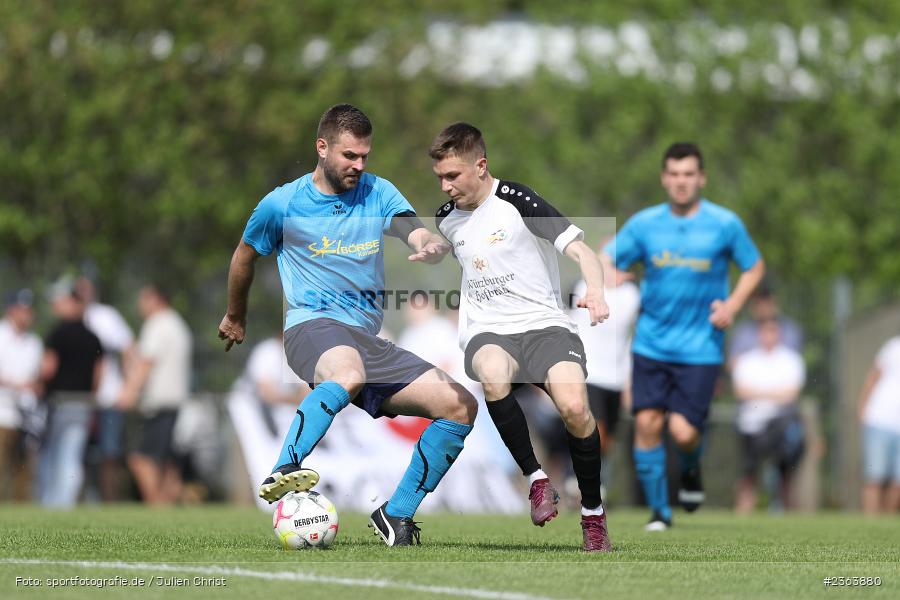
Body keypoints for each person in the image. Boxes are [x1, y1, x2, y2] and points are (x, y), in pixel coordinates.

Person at [218, 104, 477, 547]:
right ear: (322, 148)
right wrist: (235, 315)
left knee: (459, 407)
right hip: (311, 328)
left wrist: (426, 241)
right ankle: (285, 467)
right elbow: (244, 256)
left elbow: (407, 227)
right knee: (348, 374)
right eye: (349, 156)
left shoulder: (377, 191)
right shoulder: (283, 203)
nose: (359, 165)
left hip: (365, 341)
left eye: (364, 157)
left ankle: (395, 516)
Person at [430, 122, 613, 552]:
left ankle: (592, 514)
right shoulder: (446, 219)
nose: (445, 186)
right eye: (439, 177)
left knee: (575, 409)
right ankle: (536, 481)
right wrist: (434, 249)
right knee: (492, 375)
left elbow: (581, 251)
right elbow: (454, 243)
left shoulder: (519, 201)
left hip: (545, 326)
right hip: (490, 331)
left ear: (481, 165)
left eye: (453, 175)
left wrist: (597, 292)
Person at [604, 142, 765, 531]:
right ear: (664, 178)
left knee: (683, 431)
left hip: (700, 348)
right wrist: (609, 271)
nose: (681, 182)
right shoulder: (645, 224)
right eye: (674, 174)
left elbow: (753, 266)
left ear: (701, 178)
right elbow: (607, 255)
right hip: (651, 344)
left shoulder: (724, 224)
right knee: (646, 424)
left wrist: (733, 305)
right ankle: (660, 512)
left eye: (688, 174)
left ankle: (691, 469)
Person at [567, 242, 640, 492]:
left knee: (606, 439)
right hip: (589, 372)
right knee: (596, 429)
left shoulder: (631, 296)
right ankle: (582, 482)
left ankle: (589, 477)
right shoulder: (582, 288)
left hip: (617, 377)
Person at [117, 284, 192, 505]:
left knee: (140, 459)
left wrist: (129, 391)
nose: (140, 305)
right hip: (175, 402)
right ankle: (165, 505)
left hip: (159, 403)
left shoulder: (158, 324)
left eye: (143, 299)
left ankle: (157, 506)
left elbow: (147, 362)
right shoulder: (177, 323)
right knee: (168, 460)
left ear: (156, 299)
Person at [37, 283, 104, 507]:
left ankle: (50, 501)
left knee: (53, 452)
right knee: (72, 454)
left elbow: (48, 368)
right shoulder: (93, 338)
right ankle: (65, 503)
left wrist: (38, 385)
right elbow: (98, 376)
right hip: (83, 403)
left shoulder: (57, 333)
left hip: (59, 401)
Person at [732, 318, 806, 513]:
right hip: (751, 425)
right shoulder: (747, 360)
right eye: (765, 331)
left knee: (785, 469)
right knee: (749, 471)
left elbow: (791, 394)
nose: (769, 336)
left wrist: (758, 392)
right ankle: (744, 509)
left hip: (780, 423)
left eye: (773, 331)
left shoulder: (791, 359)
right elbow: (741, 391)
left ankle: (784, 508)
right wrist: (774, 393)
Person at [75, 276, 135, 502]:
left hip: (108, 397)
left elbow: (128, 348)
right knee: (80, 454)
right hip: (81, 398)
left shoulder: (105, 316)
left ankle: (109, 501)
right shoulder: (74, 317)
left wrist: (129, 387)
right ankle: (82, 501)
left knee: (109, 453)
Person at [0, 289, 43, 502]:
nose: (28, 314)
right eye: (23, 309)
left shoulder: (34, 342)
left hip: (26, 416)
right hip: (2, 412)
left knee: (23, 474)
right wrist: (18, 385)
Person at [857, 334, 900, 514]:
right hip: (879, 419)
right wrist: (862, 407)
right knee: (874, 477)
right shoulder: (893, 346)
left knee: (898, 482)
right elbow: (873, 376)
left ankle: (887, 524)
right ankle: (870, 522)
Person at [729, 285, 802, 361]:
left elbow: (794, 361)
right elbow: (733, 362)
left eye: (767, 302)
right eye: (759, 303)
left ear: (775, 304)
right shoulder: (742, 331)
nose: (763, 307)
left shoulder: (790, 329)